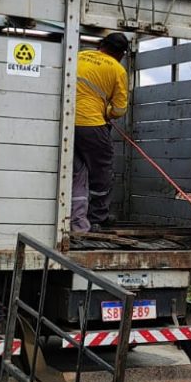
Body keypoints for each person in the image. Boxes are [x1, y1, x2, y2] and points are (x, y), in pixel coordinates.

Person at [71, 32, 130, 232]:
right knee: (101, 170)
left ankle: (74, 218)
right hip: (92, 125)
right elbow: (120, 109)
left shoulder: (78, 56)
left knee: (77, 173)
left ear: (101, 45)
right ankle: (96, 217)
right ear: (121, 54)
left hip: (66, 124)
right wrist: (106, 112)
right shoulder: (117, 69)